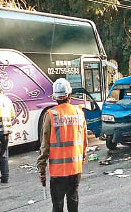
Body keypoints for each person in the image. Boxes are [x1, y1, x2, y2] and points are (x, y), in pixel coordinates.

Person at [37, 78, 88, 212]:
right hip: (75, 169)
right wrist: (82, 159)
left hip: (58, 171)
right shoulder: (79, 113)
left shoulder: (51, 115)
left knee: (57, 206)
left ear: (55, 97)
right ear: (69, 95)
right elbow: (84, 142)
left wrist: (41, 167)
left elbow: (45, 145)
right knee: (73, 202)